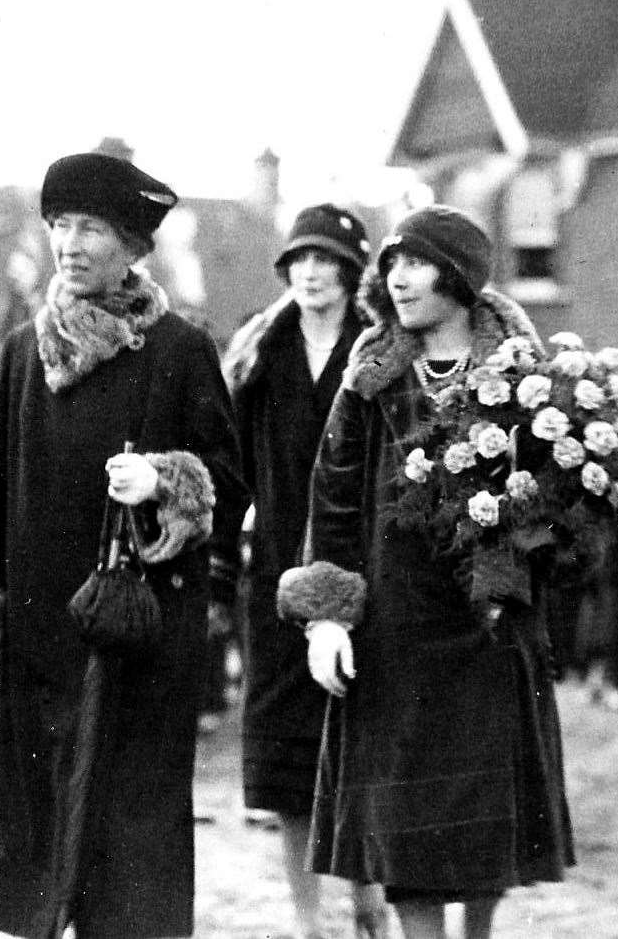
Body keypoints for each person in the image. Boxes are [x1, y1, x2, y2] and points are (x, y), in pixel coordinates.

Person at [0, 151, 248, 939]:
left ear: (135, 247)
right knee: (43, 832)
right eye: (61, 225)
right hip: (42, 634)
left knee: (131, 833)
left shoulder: (179, 349)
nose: (71, 243)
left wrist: (167, 481)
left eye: (94, 227)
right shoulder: (20, 354)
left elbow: (229, 480)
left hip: (141, 634)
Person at [283, 205, 572, 939]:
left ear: (461, 275)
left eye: (416, 261)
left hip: (491, 631)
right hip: (395, 634)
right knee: (404, 829)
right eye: (391, 262)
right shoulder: (371, 379)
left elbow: (561, 508)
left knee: (485, 826)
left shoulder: (526, 383)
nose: (397, 277)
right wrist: (327, 616)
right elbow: (333, 496)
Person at [221, 202, 385, 939]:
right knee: (289, 766)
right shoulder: (262, 354)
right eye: (299, 261)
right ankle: (308, 920)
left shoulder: (379, 351)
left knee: (363, 746)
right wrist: (224, 556)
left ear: (352, 272)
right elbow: (228, 470)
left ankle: (369, 903)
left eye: (326, 260)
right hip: (277, 583)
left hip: (363, 578)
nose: (312, 273)